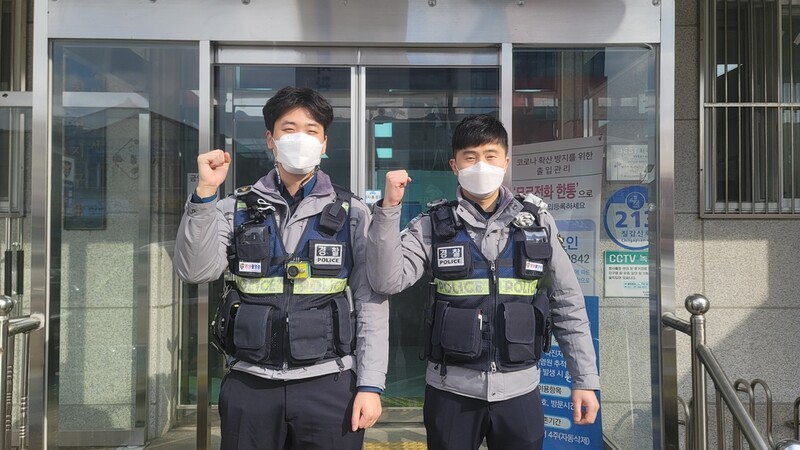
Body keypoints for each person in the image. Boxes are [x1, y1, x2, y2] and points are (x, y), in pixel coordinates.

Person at [366, 114, 600, 450]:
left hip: (520, 391)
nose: (481, 165)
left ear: (506, 162)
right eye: (470, 157)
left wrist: (585, 380)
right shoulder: (432, 225)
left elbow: (568, 305)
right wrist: (388, 209)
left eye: (491, 156)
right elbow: (386, 281)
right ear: (454, 165)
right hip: (451, 392)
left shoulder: (538, 223)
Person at [173, 86, 388, 450]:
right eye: (289, 129)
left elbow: (371, 301)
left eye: (311, 130)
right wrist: (205, 195)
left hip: (330, 383)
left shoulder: (352, 212)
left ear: (324, 142)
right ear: (270, 139)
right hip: (250, 384)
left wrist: (370, 385)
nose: (300, 139)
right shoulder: (233, 207)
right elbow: (195, 271)